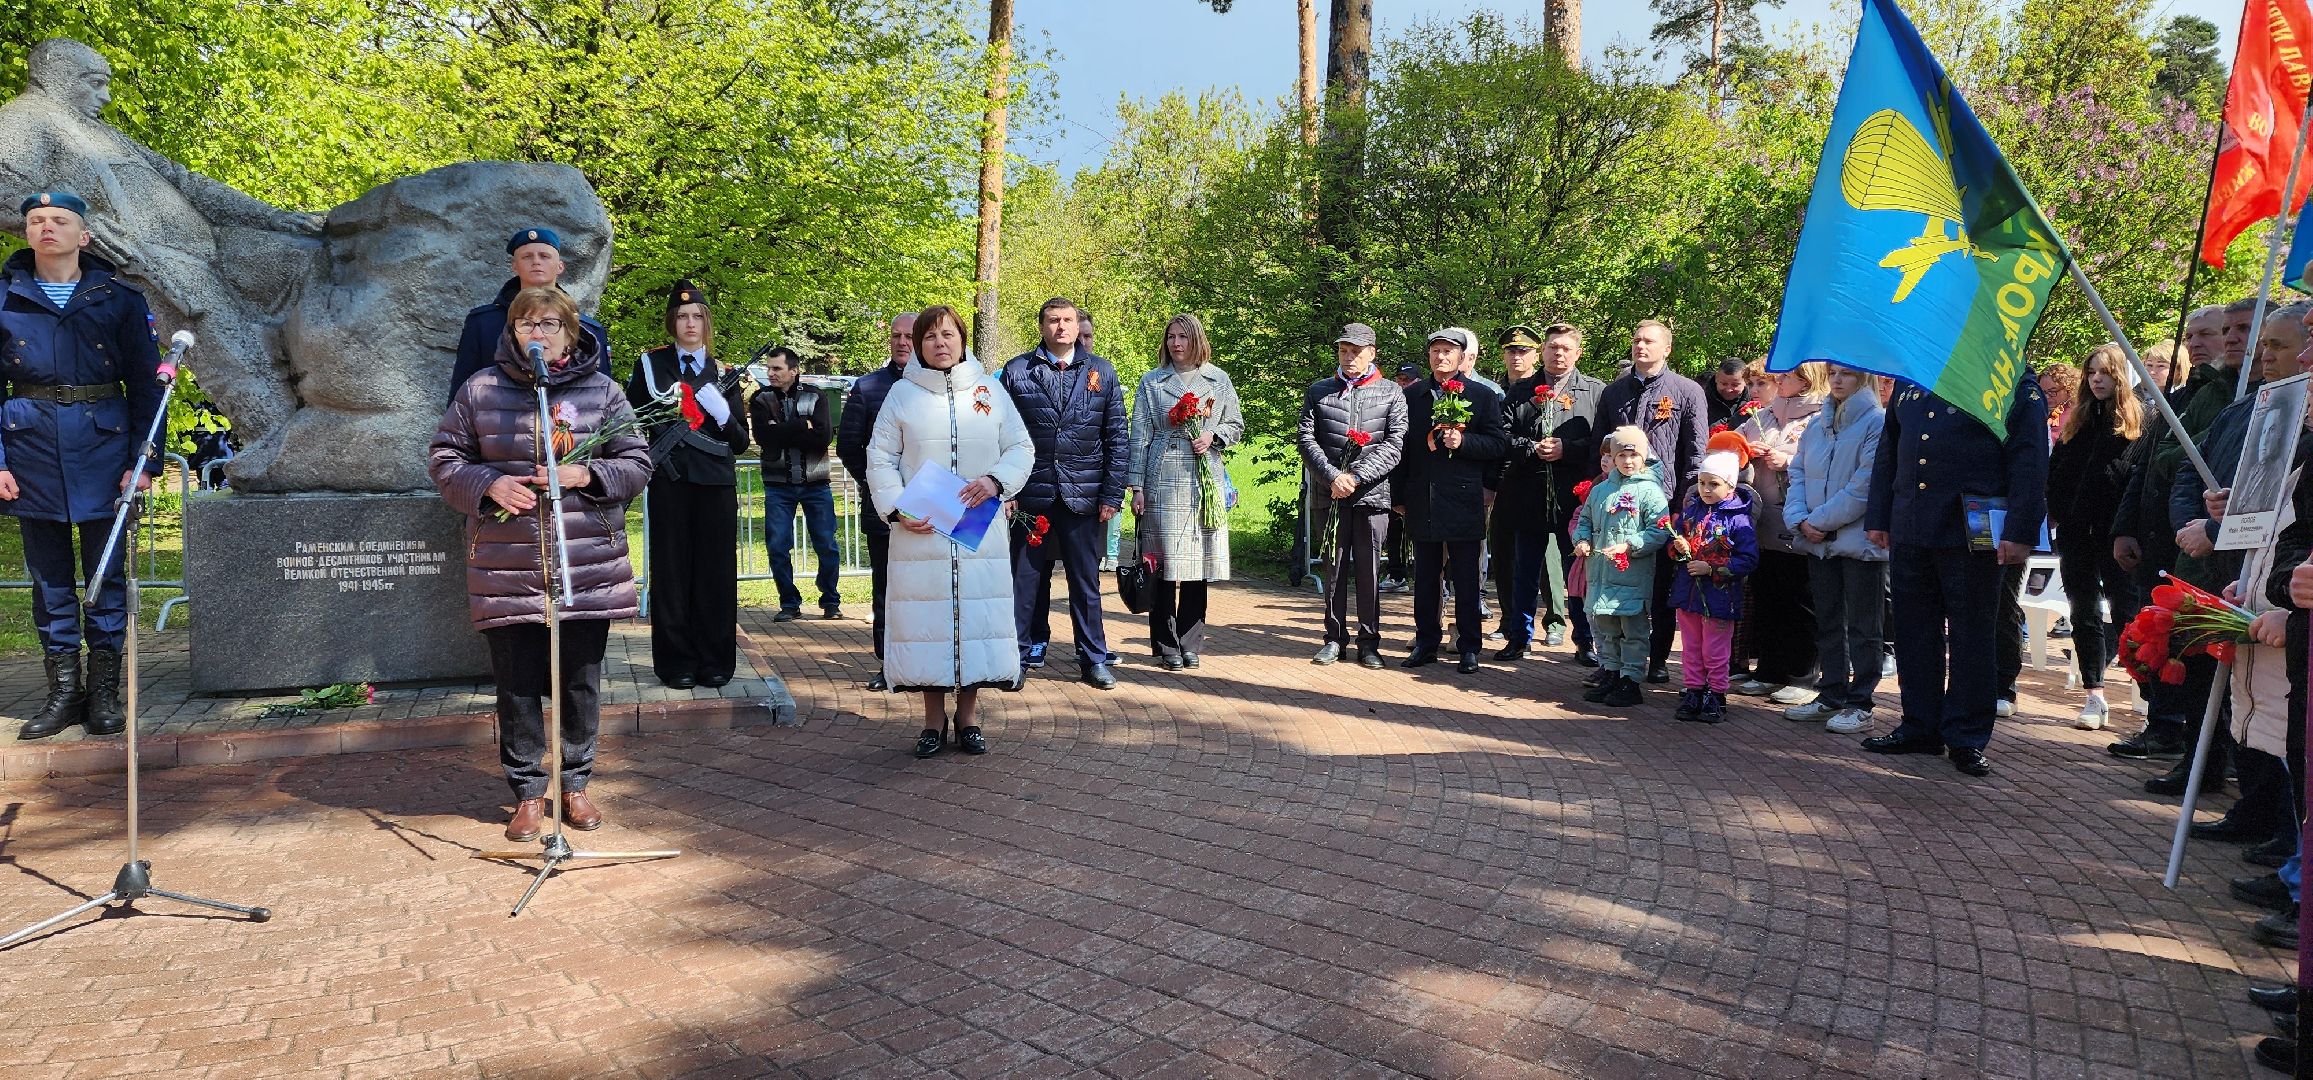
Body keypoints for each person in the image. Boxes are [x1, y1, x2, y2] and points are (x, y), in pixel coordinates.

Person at [430, 286, 651, 840]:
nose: (539, 332)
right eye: (527, 323)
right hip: (508, 564)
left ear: (572, 334)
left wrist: (589, 475)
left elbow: (637, 460)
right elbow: (444, 458)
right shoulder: (481, 390)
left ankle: (575, 785)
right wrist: (490, 483)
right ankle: (528, 792)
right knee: (518, 684)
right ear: (512, 332)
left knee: (580, 682)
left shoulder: (603, 392)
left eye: (551, 324)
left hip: (585, 562)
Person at [1, 190, 163, 741]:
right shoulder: (4, 297)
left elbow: (147, 386)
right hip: (30, 450)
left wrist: (144, 461)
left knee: (105, 575)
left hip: (103, 447)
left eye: (59, 220)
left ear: (83, 235)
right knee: (48, 580)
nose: (46, 228)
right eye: (36, 221)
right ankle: (63, 692)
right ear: (26, 233)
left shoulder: (118, 299)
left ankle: (104, 693)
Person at [864, 305, 1034, 757]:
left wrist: (995, 481)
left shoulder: (990, 392)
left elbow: (1020, 446)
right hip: (921, 532)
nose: (941, 343)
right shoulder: (902, 396)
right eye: (931, 336)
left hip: (979, 529)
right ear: (918, 345)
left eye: (949, 334)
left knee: (974, 621)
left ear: (963, 340)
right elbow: (879, 458)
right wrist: (896, 509)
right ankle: (932, 720)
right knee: (928, 623)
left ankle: (969, 717)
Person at [1862, 371, 2050, 778]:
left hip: (1973, 531)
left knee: (1971, 634)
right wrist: (1879, 514)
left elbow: (2029, 458)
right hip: (1913, 524)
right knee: (1914, 630)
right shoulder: (1914, 378)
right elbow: (1890, 451)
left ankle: (1966, 735)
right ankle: (1919, 725)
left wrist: (2020, 530)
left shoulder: (2007, 378)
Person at [622, 282, 746, 689]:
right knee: (672, 571)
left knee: (715, 572)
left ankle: (715, 661)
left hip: (715, 484)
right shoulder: (650, 367)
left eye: (696, 317)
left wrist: (723, 414)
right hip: (670, 481)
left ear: (706, 323)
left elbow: (741, 441)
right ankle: (677, 663)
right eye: (681, 316)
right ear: (671, 323)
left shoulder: (724, 373)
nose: (689, 323)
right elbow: (630, 421)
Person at [1002, 297, 1128, 689]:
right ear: (1041, 326)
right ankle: (1017, 658)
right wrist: (1005, 489)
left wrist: (1111, 495)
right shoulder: (1017, 371)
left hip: (1084, 495)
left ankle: (1092, 658)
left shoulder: (1102, 372)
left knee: (1085, 582)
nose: (1061, 327)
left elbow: (1117, 439)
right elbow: (998, 436)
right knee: (1023, 581)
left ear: (1078, 326)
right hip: (1031, 494)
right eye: (1053, 320)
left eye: (1067, 320)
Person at [1126, 314, 1243, 670]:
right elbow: (1139, 436)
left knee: (1197, 563)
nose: (1176, 343)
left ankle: (1191, 641)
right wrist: (1137, 486)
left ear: (1197, 340)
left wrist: (1213, 436)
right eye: (1171, 337)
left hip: (1203, 475)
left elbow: (1235, 424)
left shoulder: (1217, 379)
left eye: (1183, 337)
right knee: (1162, 564)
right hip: (1163, 475)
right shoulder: (1153, 382)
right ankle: (1166, 644)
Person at [1594, 320, 1709, 682]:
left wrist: (1683, 504)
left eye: (1649, 341)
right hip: (1617, 505)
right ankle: (1613, 665)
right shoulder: (1614, 393)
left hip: (1663, 505)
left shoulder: (1687, 391)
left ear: (1667, 349)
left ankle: (1656, 661)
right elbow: (1600, 447)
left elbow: (1695, 452)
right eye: (1636, 339)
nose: (1640, 346)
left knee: (1659, 588)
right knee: (1615, 585)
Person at [1395, 327, 1510, 673]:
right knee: (1426, 576)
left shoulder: (1482, 395)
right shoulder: (1412, 396)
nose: (1441, 357)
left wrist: (1465, 444)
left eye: (1448, 351)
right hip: (1423, 498)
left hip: (1463, 498)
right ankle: (1426, 642)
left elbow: (1497, 445)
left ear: (1462, 358)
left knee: (1466, 576)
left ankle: (1469, 646)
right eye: (1435, 351)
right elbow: (1401, 449)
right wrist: (1400, 495)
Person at [1781, 365, 1887, 734]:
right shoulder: (1817, 424)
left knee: (1863, 625)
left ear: (1865, 378)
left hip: (1856, 542)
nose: (1838, 380)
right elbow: (1797, 473)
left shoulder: (1876, 421)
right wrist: (1798, 519)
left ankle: (1861, 702)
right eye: (1833, 372)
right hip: (1817, 541)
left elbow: (1865, 486)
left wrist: (1818, 522)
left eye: (1847, 374)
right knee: (1827, 620)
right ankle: (1831, 693)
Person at [1300, 323, 1408, 667]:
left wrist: (1356, 477)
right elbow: (1306, 438)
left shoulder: (1391, 392)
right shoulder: (1320, 390)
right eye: (1344, 351)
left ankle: (1369, 643)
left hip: (1371, 496)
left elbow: (1394, 445)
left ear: (1372, 354)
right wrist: (1332, 476)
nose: (1349, 358)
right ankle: (1333, 639)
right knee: (1332, 570)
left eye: (1356, 352)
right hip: (1329, 494)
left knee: (1368, 571)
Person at [2047, 345, 2142, 730]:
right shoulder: (2077, 422)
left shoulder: (2138, 422)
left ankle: (2151, 698)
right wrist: (2057, 509)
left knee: (2126, 613)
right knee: (2083, 612)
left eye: (2104, 372)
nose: (2097, 379)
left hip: (2116, 533)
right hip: (2075, 531)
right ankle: (2094, 694)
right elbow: (2058, 471)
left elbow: (2135, 478)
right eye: (2090, 373)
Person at [1497, 323, 1605, 661]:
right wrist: (1530, 447)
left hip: (1574, 498)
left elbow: (1602, 443)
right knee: (1524, 571)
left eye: (1565, 348)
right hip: (1527, 493)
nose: (1558, 353)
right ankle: (1519, 637)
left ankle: (1584, 641)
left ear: (1578, 353)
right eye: (1552, 347)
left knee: (1577, 573)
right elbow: (1501, 437)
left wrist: (1567, 449)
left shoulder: (1595, 391)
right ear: (1542, 350)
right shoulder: (1520, 391)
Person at [1731, 363, 1825, 703]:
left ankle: (1802, 677)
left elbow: (1826, 459)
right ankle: (1769, 671)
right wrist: (1742, 453)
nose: (1776, 382)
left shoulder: (1820, 415)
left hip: (1800, 521)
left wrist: (1786, 459)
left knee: (1800, 601)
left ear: (1806, 378)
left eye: (1783, 376)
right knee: (1768, 597)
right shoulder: (1766, 415)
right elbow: (1733, 444)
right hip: (1762, 524)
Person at [836, 313, 915, 691]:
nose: (902, 342)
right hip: (884, 508)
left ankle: (925, 663)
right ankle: (888, 665)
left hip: (932, 508)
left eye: (910, 336)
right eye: (896, 336)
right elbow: (849, 446)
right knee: (887, 586)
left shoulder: (939, 386)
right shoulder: (867, 388)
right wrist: (879, 487)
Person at [1573, 426, 1670, 707]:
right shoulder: (1600, 490)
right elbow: (1585, 522)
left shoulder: (1650, 492)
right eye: (1622, 455)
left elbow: (1660, 530)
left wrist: (1631, 545)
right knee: (1607, 630)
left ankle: (1631, 680)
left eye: (1634, 455)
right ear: (1612, 458)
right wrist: (1581, 541)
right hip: (1601, 575)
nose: (1628, 461)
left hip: (1631, 577)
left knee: (1632, 630)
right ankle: (1612, 674)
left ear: (1643, 457)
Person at [452, 228, 609, 400]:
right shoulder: (483, 324)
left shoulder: (587, 329)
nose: (536, 262)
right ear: (514, 266)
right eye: (527, 257)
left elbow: (602, 398)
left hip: (568, 422)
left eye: (544, 256)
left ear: (560, 266)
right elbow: (461, 397)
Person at [1669, 435, 1760, 723]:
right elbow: (1675, 543)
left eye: (1714, 484)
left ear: (1731, 485)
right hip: (1689, 593)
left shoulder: (1738, 519)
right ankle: (1694, 689)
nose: (1706, 489)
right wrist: (1678, 546)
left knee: (1715, 649)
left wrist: (1713, 569)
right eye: (1702, 483)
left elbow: (1747, 559)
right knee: (1692, 646)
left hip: (1719, 597)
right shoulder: (1691, 511)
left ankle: (1716, 694)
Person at [750, 346, 841, 622]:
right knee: (777, 545)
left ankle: (830, 600)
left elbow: (823, 438)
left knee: (826, 543)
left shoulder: (816, 396)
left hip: (816, 483)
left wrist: (783, 430)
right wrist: (803, 425)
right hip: (778, 484)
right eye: (769, 368)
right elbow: (765, 439)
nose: (771, 373)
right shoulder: (760, 399)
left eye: (777, 368)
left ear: (794, 370)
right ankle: (789, 603)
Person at [2038, 360, 2080, 445]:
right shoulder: (2039, 411)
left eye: (2052, 391)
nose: (2046, 396)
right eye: (2042, 392)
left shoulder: (2076, 415)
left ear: (2068, 389)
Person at [1704, 358, 1749, 428]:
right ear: (1716, 379)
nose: (1728, 390)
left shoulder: (1755, 401)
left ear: (1746, 381)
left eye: (1735, 385)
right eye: (1724, 384)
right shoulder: (1701, 399)